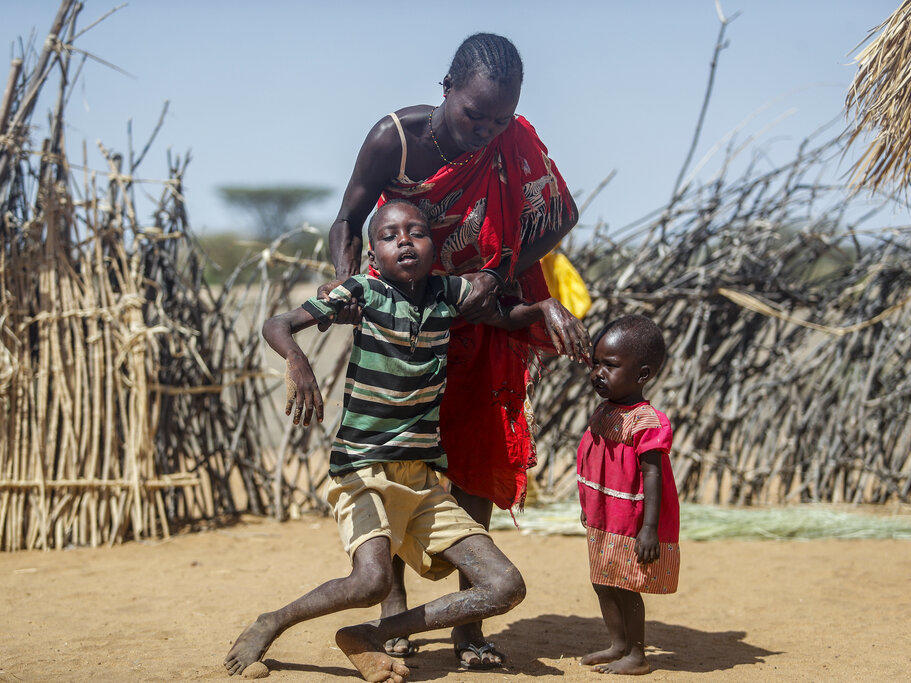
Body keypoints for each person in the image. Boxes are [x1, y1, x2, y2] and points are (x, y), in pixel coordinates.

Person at [320, 32, 590, 668]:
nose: (488, 131)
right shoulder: (398, 140)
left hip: (486, 316)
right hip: (410, 317)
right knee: (396, 456)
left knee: (472, 453)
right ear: (447, 91)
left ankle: (470, 627)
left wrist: (504, 271)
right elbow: (348, 219)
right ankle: (392, 613)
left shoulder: (511, 143)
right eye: (475, 114)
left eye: (501, 117)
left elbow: (559, 214)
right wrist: (348, 282)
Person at [224, 200, 570, 680]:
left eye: (416, 232)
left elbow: (506, 316)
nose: (404, 241)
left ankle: (372, 634)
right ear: (373, 253)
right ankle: (273, 621)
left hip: (423, 479)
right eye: (389, 235)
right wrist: (297, 362)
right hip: (362, 469)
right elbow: (277, 324)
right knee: (371, 580)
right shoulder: (362, 292)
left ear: (434, 247)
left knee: (505, 585)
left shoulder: (449, 294)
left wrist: (547, 307)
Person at [577, 315, 680, 675]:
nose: (598, 373)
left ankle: (637, 654)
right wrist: (587, 506)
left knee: (625, 585)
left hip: (631, 521)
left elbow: (654, 478)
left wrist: (649, 529)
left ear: (642, 374)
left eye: (611, 365)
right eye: (596, 363)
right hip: (606, 516)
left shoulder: (646, 422)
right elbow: (594, 462)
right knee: (602, 580)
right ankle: (618, 644)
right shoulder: (607, 410)